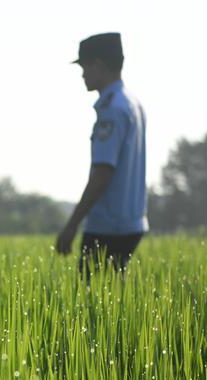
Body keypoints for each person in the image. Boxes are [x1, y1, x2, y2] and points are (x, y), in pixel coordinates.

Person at [55, 33, 148, 279]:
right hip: (132, 223)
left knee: (88, 307)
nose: (83, 74)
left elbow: (103, 172)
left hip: (109, 226)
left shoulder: (112, 110)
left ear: (99, 65)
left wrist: (72, 224)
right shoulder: (132, 104)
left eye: (84, 67)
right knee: (112, 304)